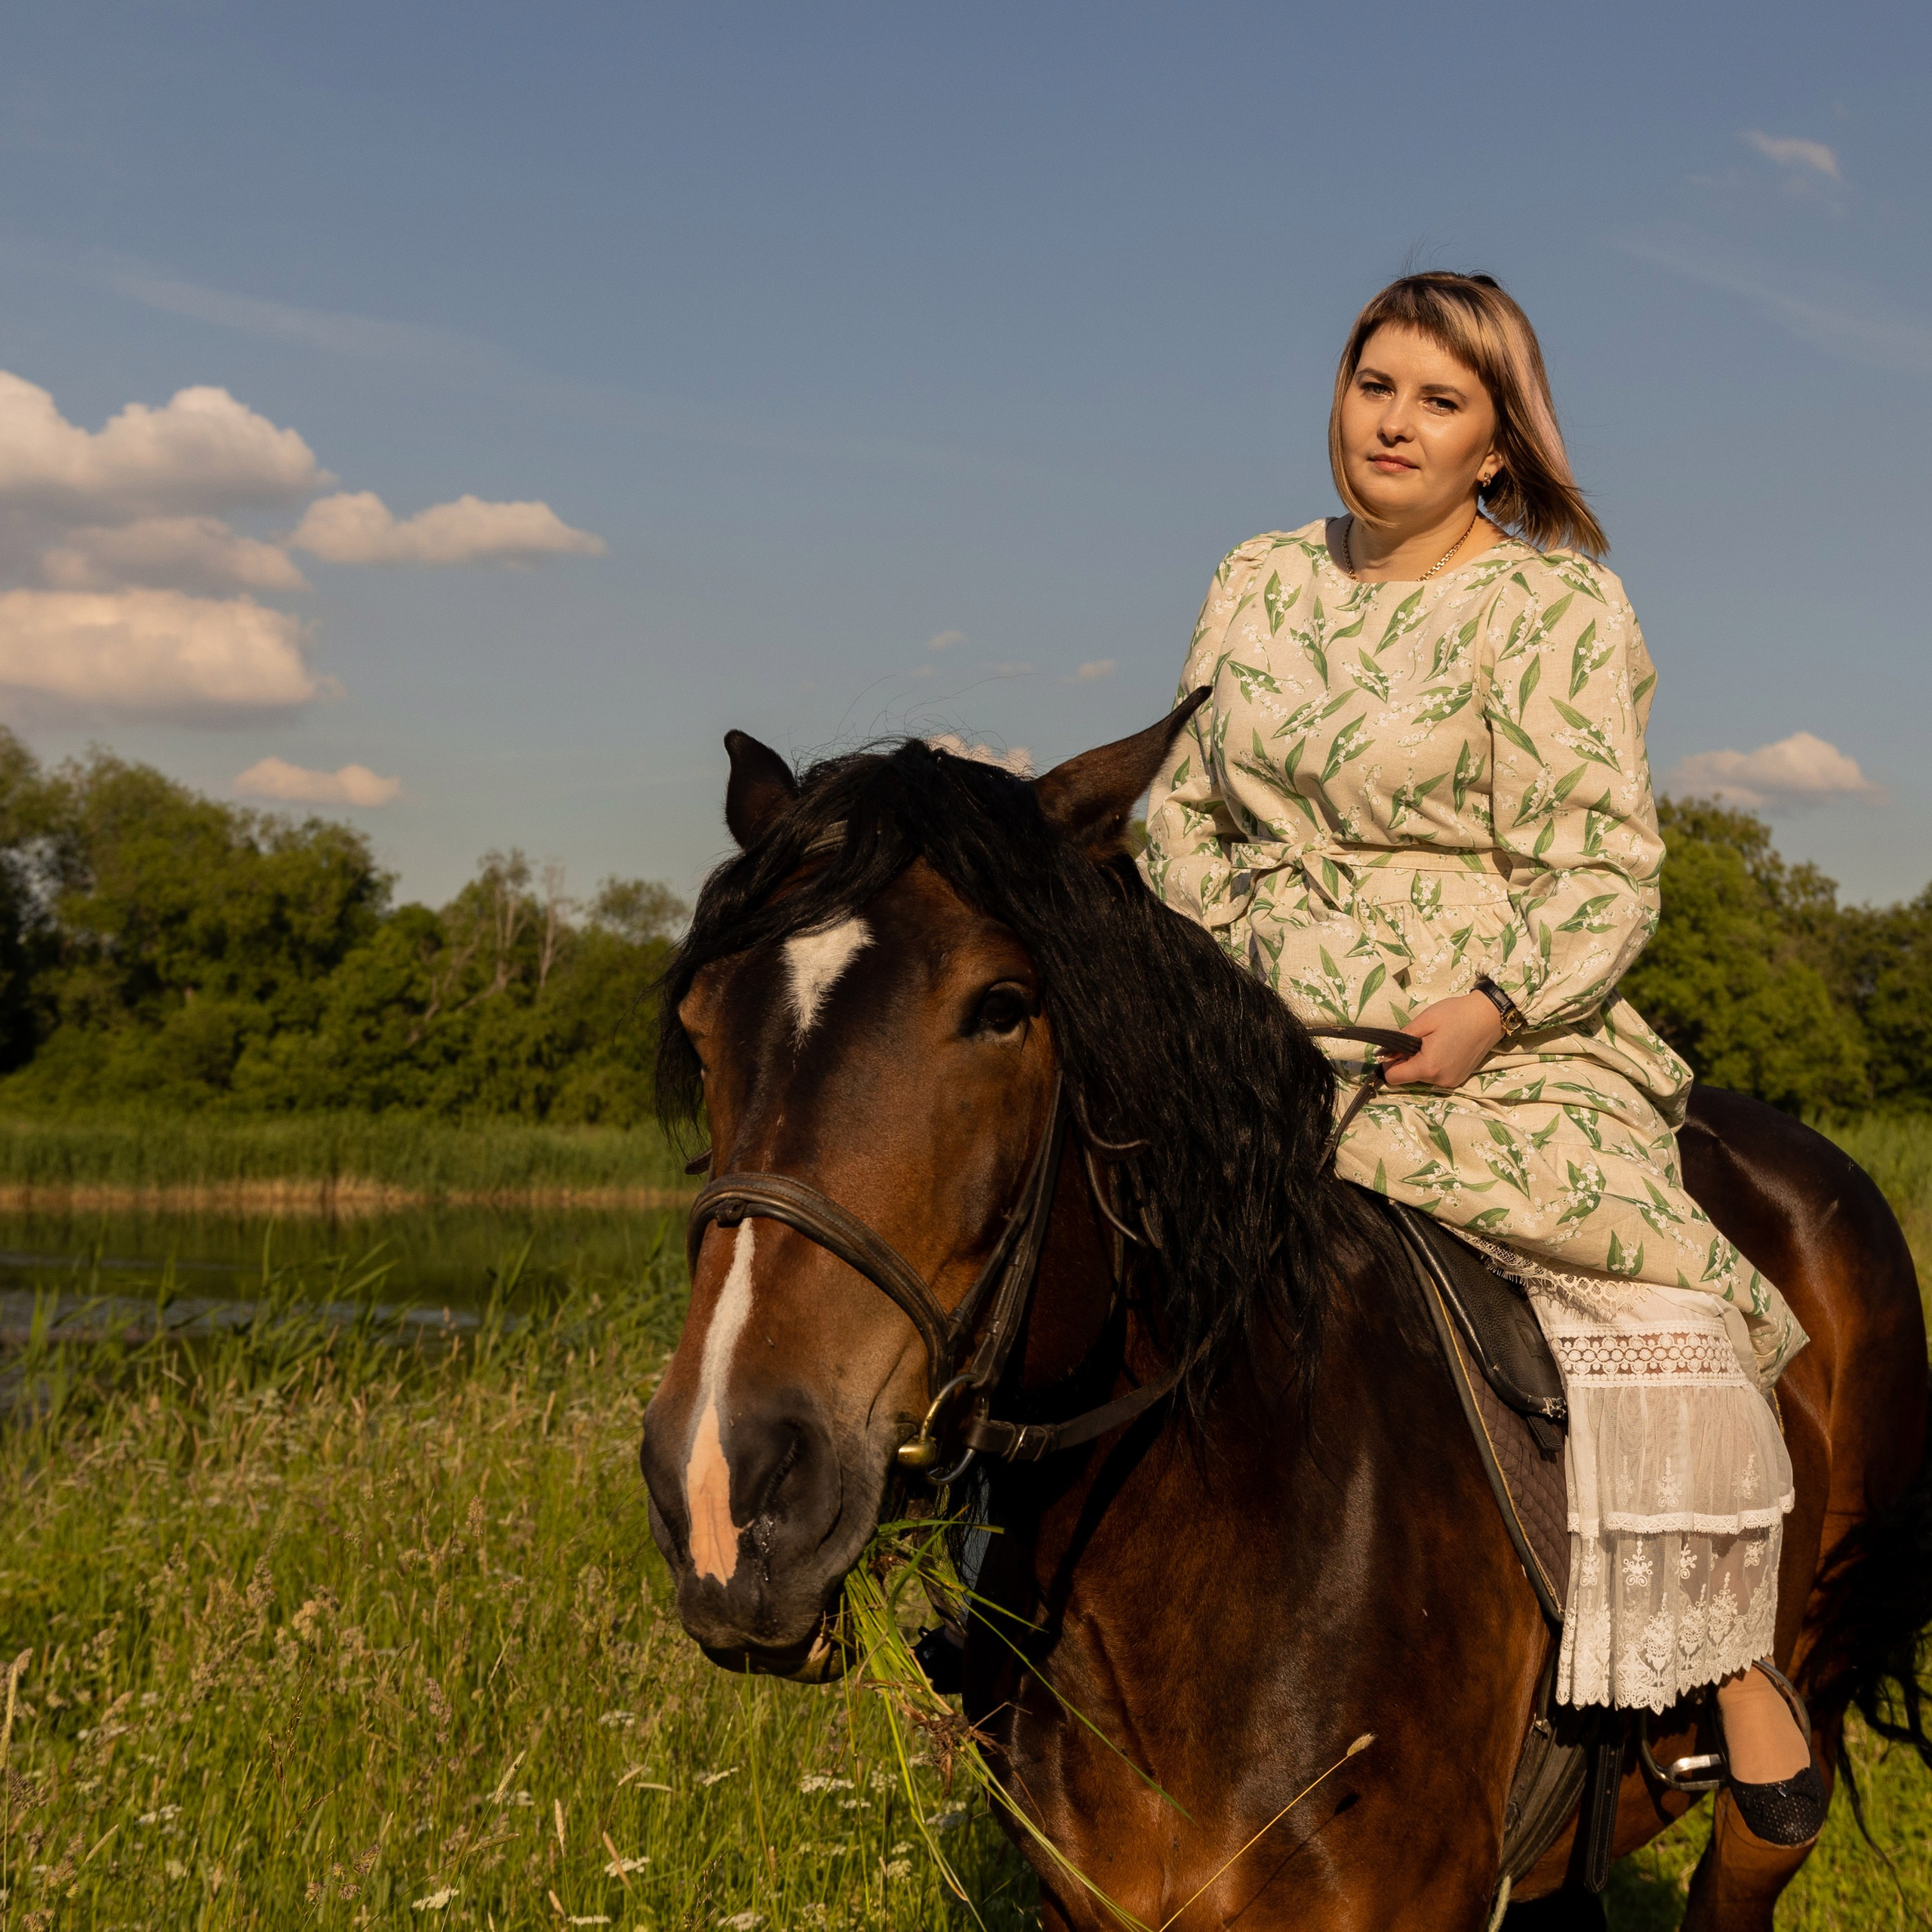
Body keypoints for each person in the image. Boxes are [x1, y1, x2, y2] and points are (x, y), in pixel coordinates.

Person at [1141, 271, 1826, 1845]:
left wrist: (1492, 1006)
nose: (1391, 420)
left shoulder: (1554, 606)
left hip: (1476, 1014)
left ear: (1495, 449)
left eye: (1437, 400)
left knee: (1646, 1283)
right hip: (1247, 997)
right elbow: (1180, 815)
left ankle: (1725, 1654)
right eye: (1370, 382)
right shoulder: (1253, 576)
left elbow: (1601, 864)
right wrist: (1226, 975)